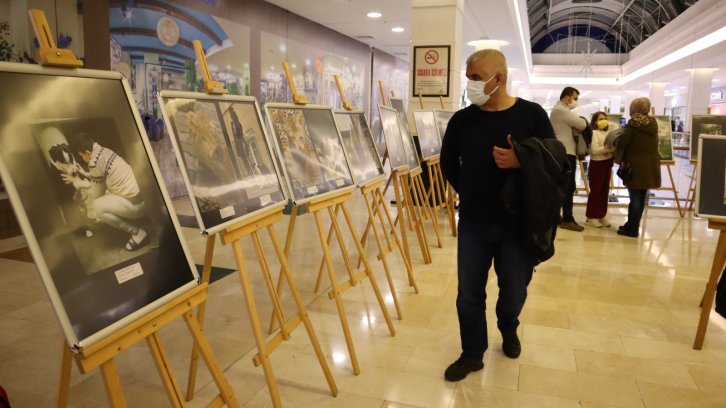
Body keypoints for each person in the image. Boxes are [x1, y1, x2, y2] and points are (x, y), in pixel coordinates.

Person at [440, 49, 557, 382]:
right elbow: (448, 162)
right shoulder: (462, 120)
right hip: (474, 222)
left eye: (476, 78)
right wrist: (468, 190)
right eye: (468, 78)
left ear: (499, 78)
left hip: (518, 223)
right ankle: (472, 353)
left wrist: (522, 160)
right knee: (469, 294)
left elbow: (556, 161)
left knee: (514, 290)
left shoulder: (531, 115)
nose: (471, 85)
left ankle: (508, 325)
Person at [65, 132, 149, 251]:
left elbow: (96, 194)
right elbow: (100, 176)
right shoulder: (104, 151)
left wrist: (78, 182)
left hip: (137, 206)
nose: (82, 159)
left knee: (97, 206)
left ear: (88, 153)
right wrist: (85, 173)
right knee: (106, 192)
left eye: (81, 156)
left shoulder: (94, 164)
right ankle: (138, 220)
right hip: (144, 198)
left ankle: (138, 233)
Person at [615, 97, 661, 238]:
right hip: (650, 166)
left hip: (635, 165)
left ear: (634, 108)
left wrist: (619, 135)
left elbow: (623, 143)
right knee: (641, 198)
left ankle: (632, 229)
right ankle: (632, 225)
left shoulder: (633, 124)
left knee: (634, 198)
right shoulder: (653, 123)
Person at [550, 86, 588, 231]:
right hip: (565, 153)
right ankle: (567, 219)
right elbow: (582, 124)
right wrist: (581, 121)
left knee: (562, 186)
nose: (576, 101)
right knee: (568, 186)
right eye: (575, 98)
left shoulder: (558, 110)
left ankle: (555, 216)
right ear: (567, 97)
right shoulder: (561, 110)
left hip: (562, 152)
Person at [585, 112, 615, 228]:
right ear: (595, 121)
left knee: (604, 191)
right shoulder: (594, 133)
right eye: (600, 119)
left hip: (607, 163)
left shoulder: (608, 133)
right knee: (596, 191)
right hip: (597, 164)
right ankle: (591, 216)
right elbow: (594, 150)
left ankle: (601, 214)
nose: (604, 121)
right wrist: (607, 149)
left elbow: (613, 148)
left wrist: (608, 150)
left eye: (605, 118)